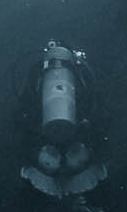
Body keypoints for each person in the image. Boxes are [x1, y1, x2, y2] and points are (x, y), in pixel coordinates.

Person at [18, 41, 108, 198]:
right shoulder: (81, 73)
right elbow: (97, 109)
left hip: (46, 140)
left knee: (52, 158)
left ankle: (54, 165)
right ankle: (70, 164)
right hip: (75, 138)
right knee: (74, 157)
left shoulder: (38, 74)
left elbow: (23, 113)